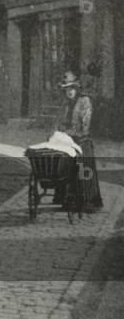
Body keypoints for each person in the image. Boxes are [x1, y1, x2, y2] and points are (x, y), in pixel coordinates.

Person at [56, 70, 103, 212]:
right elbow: (60, 121)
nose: (69, 92)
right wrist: (59, 130)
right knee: (62, 163)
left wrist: (70, 132)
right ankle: (65, 199)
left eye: (71, 88)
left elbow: (85, 124)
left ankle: (87, 202)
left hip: (82, 140)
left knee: (83, 169)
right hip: (68, 139)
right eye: (66, 89)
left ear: (76, 88)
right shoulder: (65, 103)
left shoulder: (84, 101)